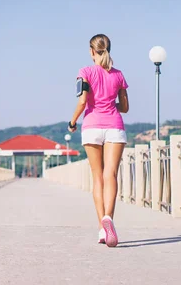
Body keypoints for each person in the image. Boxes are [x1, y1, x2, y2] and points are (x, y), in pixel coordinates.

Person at [67, 34, 129, 248]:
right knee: (110, 174)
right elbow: (125, 107)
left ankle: (102, 229)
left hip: (92, 126)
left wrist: (72, 122)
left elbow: (83, 101)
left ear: (91, 51)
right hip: (115, 126)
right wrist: (109, 103)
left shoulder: (84, 72)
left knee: (97, 177)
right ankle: (109, 219)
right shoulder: (119, 75)